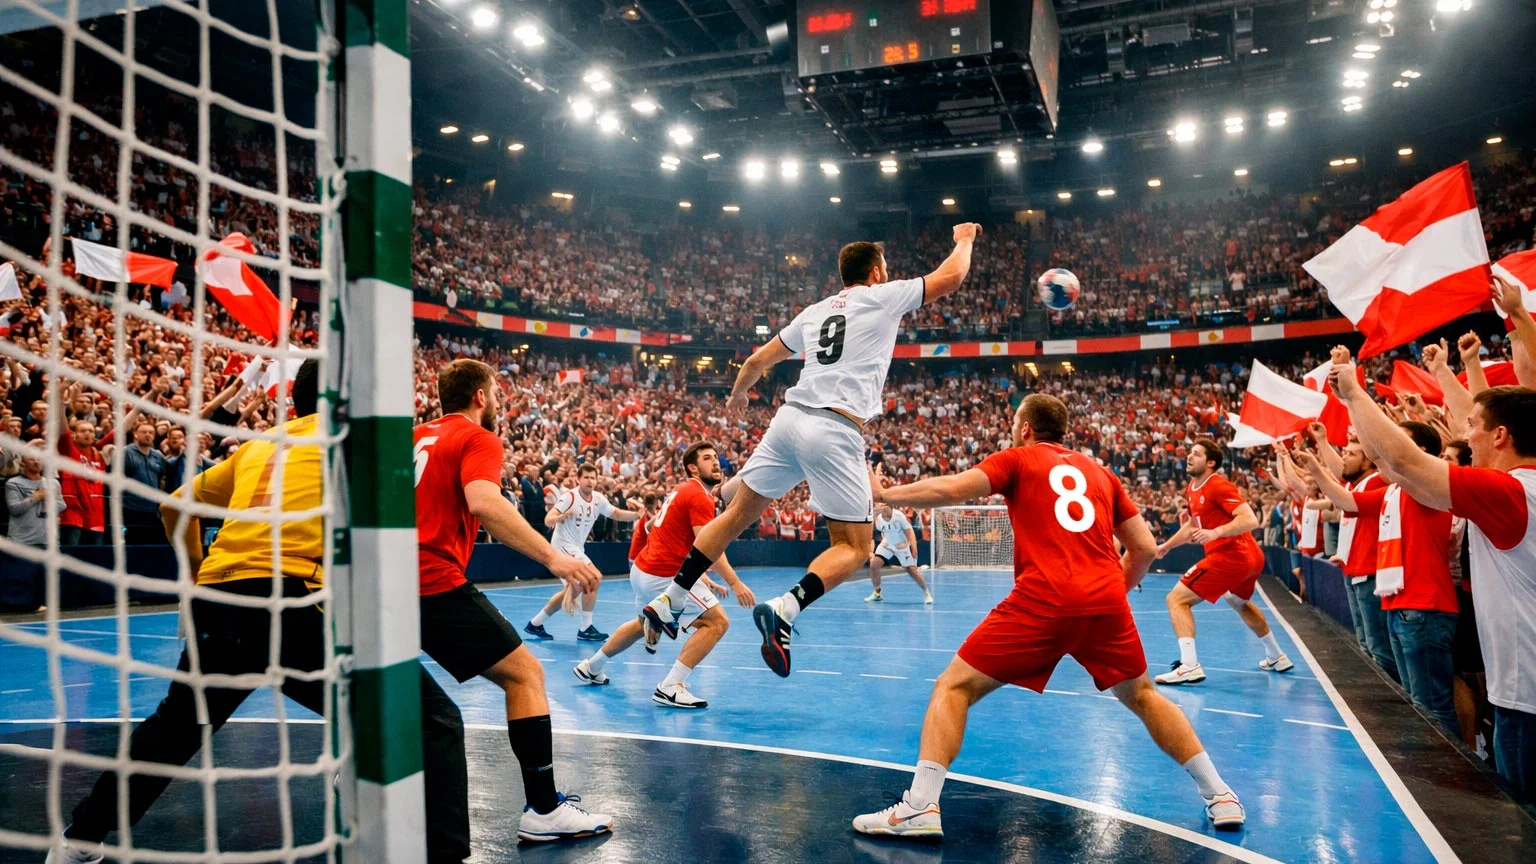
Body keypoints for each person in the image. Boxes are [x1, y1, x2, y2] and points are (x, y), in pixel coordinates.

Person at [48, 361, 473, 864]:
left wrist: (195, 570)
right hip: (290, 606)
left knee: (173, 732)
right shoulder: (359, 444)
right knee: (431, 717)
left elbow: (175, 508)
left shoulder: (261, 443)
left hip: (219, 599)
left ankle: (77, 842)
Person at [852, 394, 1244, 837]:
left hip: (1044, 598)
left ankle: (920, 806)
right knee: (1144, 696)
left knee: (954, 686)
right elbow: (1146, 548)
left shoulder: (1017, 459)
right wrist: (1111, 590)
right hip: (1103, 601)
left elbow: (950, 489)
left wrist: (884, 493)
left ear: (1025, 429)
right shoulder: (1100, 472)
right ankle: (1221, 795)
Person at [642, 225, 984, 677]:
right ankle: (785, 608)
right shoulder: (883, 296)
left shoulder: (815, 311)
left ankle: (671, 598)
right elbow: (951, 277)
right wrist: (964, 240)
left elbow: (755, 362)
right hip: (834, 428)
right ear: (877, 272)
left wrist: (738, 396)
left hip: (788, 420)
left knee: (735, 517)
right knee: (855, 546)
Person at [1328, 330, 1536, 795]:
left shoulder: (1511, 491)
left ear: (1501, 436)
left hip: (1527, 697)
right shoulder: (1514, 487)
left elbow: (1404, 460)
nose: (1463, 434)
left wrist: (1355, 392)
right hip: (1520, 691)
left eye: (1473, 427)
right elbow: (1410, 457)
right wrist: (1448, 369)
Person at [413, 358, 612, 841]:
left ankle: (361, 774)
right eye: (496, 392)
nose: (498, 400)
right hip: (429, 576)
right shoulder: (478, 437)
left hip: (382, 581)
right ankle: (543, 809)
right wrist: (554, 559)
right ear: (480, 396)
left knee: (399, 692)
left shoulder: (414, 435)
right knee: (525, 675)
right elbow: (484, 501)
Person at [1297, 424, 1458, 734]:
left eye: (1399, 441)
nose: (1388, 447)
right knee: (1417, 702)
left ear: (1419, 453)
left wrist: (1353, 400)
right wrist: (1316, 468)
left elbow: (1379, 459)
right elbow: (1348, 502)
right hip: (1401, 604)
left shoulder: (1427, 487)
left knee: (1432, 707)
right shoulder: (1394, 491)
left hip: (1424, 605)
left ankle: (1453, 776)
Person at [574, 442, 756, 708]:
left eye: (716, 457)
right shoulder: (699, 496)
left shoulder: (684, 490)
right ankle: (671, 686)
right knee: (716, 622)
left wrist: (705, 580)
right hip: (664, 574)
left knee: (643, 623)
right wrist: (735, 582)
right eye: (707, 458)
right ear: (693, 468)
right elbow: (711, 547)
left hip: (642, 570)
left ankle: (592, 665)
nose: (715, 462)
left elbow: (686, 544)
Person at [1153, 438, 1290, 685]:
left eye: (1196, 454)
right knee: (1238, 601)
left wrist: (1215, 533)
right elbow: (1192, 526)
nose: (1189, 456)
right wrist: (1166, 546)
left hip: (1231, 555)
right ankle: (1276, 655)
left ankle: (1189, 666)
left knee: (1176, 599)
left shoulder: (1218, 485)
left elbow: (1250, 519)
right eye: (1190, 453)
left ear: (1210, 462)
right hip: (1248, 557)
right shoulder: (1193, 488)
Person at [523, 463, 644, 642]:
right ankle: (586, 628)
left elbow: (616, 514)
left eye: (593, 477)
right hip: (562, 545)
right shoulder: (569, 497)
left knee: (579, 587)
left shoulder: (598, 499)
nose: (590, 481)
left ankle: (535, 624)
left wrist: (636, 515)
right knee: (594, 577)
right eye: (586, 477)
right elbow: (548, 520)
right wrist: (561, 517)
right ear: (579, 479)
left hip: (577, 547)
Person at [865, 502, 932, 604]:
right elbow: (872, 534)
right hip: (887, 544)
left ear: (889, 506)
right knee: (874, 565)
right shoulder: (877, 517)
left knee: (912, 570)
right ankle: (877, 593)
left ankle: (926, 593)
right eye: (877, 504)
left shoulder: (898, 516)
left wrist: (914, 548)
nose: (878, 506)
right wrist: (873, 517)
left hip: (901, 546)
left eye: (881, 504)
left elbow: (909, 532)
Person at [120, 419, 166, 544]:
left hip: (151, 509)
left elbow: (162, 477)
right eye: (144, 432)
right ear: (135, 434)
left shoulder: (158, 456)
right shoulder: (126, 453)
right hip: (130, 508)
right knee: (133, 545)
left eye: (151, 432)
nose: (147, 435)